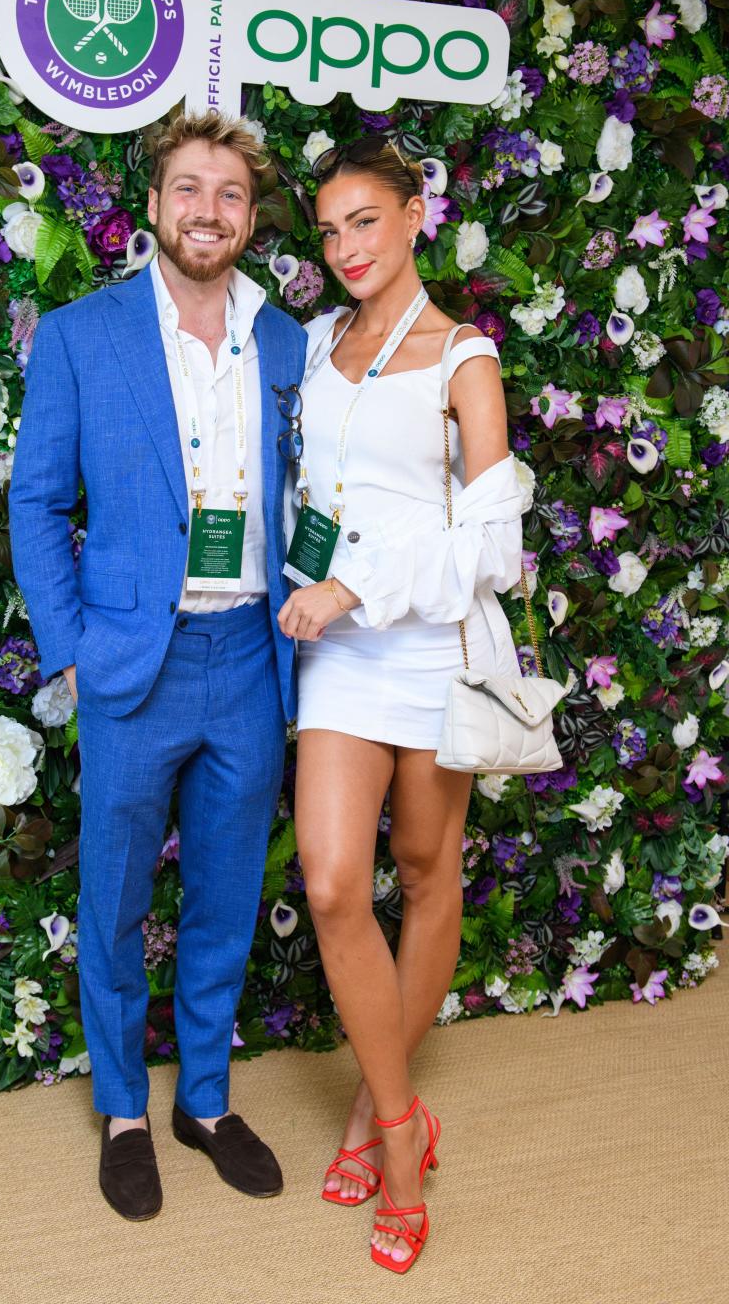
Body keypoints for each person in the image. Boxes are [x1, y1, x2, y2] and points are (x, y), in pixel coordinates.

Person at [9, 112, 307, 1221]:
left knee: (229, 897)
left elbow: (309, 497)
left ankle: (209, 1103)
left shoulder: (286, 344)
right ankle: (127, 1113)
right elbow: (36, 501)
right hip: (133, 662)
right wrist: (71, 647)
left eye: (230, 196)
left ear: (249, 218)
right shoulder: (86, 336)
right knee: (117, 899)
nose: (209, 213)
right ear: (154, 204)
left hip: (248, 659)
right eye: (191, 190)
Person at [277, 137, 525, 1272]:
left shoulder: (465, 358)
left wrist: (357, 586)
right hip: (339, 651)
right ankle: (400, 1131)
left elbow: (495, 548)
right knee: (334, 882)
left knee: (426, 874)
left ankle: (376, 1105)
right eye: (329, 232)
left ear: (417, 216)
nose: (345, 250)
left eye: (365, 222)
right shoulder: (322, 341)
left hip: (427, 647)